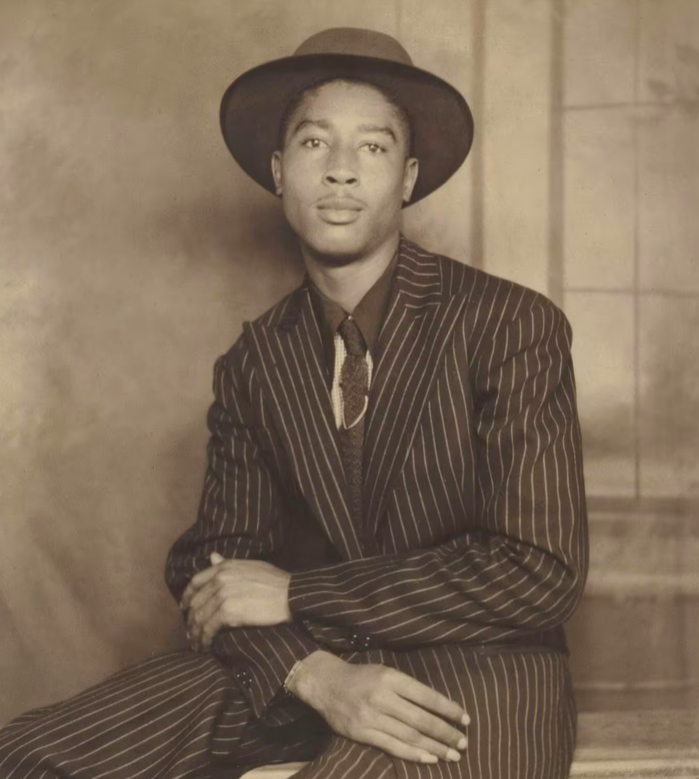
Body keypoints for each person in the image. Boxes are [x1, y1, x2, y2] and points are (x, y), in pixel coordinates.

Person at [0, 27, 588, 779]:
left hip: (474, 676)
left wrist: (297, 591)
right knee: (25, 755)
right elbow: (213, 568)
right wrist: (310, 672)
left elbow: (538, 569)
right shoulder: (254, 361)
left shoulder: (509, 323)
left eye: (372, 147)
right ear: (279, 172)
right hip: (300, 663)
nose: (341, 169)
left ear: (408, 178)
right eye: (314, 143)